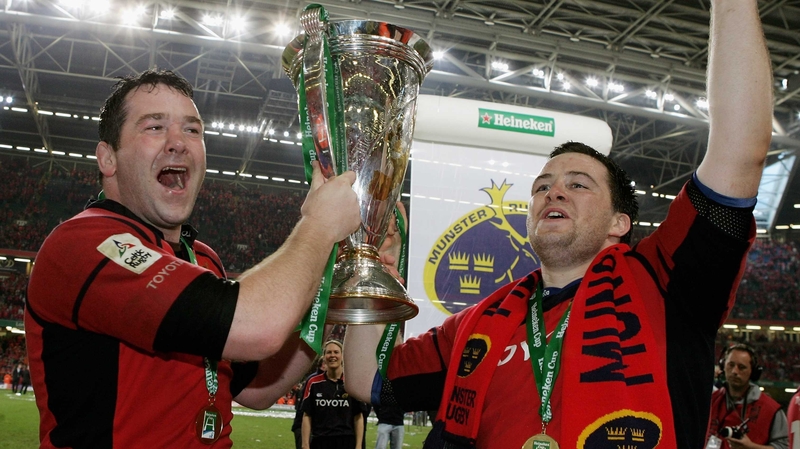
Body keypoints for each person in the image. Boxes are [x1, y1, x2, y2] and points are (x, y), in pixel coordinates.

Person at [344, 1, 774, 448]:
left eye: (579, 185)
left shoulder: (664, 281)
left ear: (619, 223)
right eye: (542, 186)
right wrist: (369, 261)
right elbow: (366, 379)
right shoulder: (480, 321)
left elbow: (740, 150)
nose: (553, 193)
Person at [25, 69, 361, 448]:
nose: (178, 143)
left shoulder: (203, 259)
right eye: (154, 127)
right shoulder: (83, 243)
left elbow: (260, 387)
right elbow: (259, 327)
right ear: (108, 158)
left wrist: (332, 283)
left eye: (192, 130)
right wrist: (318, 225)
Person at [706, 344, 788, 449]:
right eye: (731, 365)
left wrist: (751, 447)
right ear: (723, 366)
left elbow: (784, 447)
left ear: (753, 372)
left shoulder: (771, 409)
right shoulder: (710, 402)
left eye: (741, 367)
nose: (735, 371)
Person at [302, 340, 365, 449]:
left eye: (336, 352)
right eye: (329, 352)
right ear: (324, 356)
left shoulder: (352, 382)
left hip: (346, 441)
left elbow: (358, 416)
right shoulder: (313, 383)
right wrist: (305, 444)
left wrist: (359, 445)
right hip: (320, 440)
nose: (332, 355)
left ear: (342, 356)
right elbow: (307, 415)